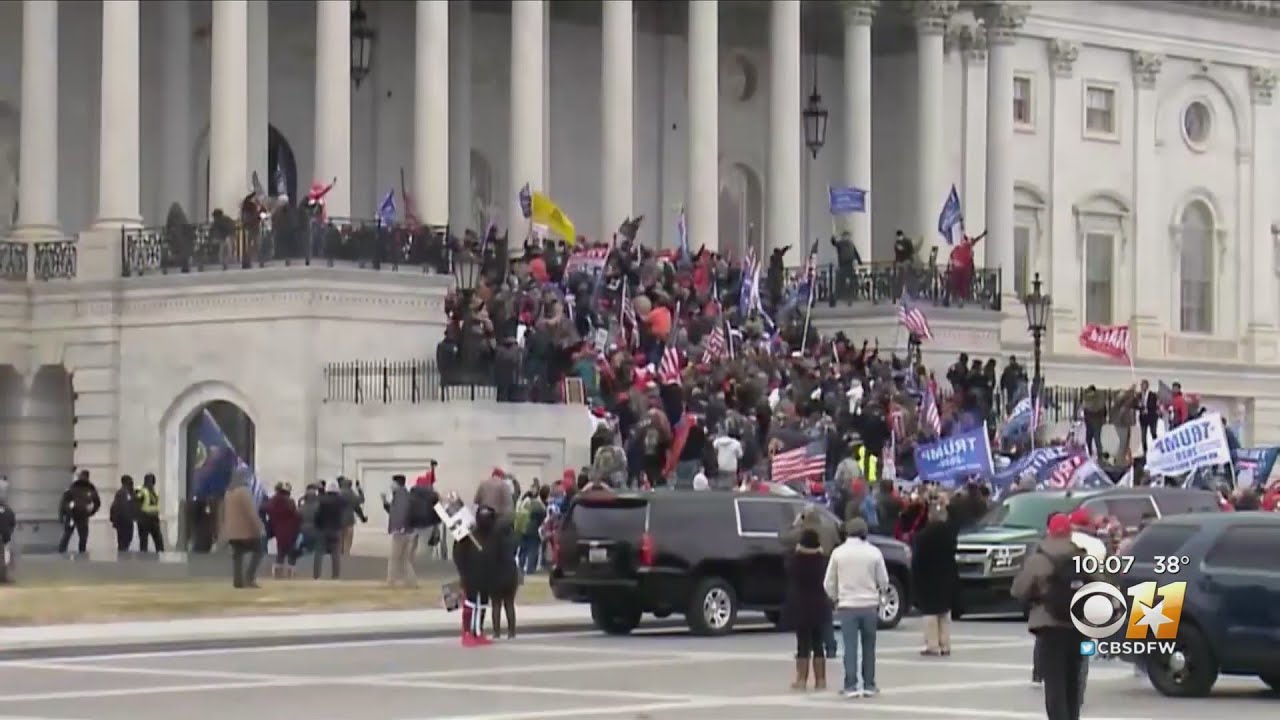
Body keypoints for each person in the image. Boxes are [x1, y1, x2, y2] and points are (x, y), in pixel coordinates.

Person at [1011, 513, 1089, 720]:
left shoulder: (1038, 559)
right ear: (1070, 532)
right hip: (1077, 627)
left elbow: (1018, 590)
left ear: (1049, 531)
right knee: (1073, 680)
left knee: (1054, 683)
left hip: (1049, 626)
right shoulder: (1081, 557)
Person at [823, 517, 890, 699]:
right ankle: (869, 684)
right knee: (869, 647)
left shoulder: (838, 553)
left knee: (850, 647)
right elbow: (883, 580)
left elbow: (828, 581)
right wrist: (879, 592)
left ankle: (850, 685)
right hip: (869, 605)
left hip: (847, 605)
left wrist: (836, 597)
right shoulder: (874, 552)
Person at [783, 528, 831, 691]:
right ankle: (821, 680)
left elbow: (787, 564)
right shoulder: (823, 561)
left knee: (802, 644)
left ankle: (802, 680)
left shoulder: (795, 561)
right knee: (818, 643)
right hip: (819, 605)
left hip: (801, 606)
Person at [911, 502, 958, 656]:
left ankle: (932, 645)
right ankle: (945, 644)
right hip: (946, 575)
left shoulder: (922, 536)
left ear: (930, 517)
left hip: (928, 577)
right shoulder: (950, 535)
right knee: (944, 612)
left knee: (930, 612)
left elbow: (917, 560)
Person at [454, 504, 504, 647]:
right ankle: (466, 633)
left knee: (482, 604)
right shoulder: (468, 535)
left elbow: (499, 555)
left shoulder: (494, 535)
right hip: (471, 575)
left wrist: (497, 572)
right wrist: (463, 572)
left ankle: (478, 631)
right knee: (470, 603)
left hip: (487, 576)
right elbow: (458, 554)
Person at [221, 467, 266, 589]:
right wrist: (259, 527)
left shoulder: (228, 492)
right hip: (246, 531)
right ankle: (249, 577)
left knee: (238, 555)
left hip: (232, 532)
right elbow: (250, 512)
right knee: (259, 550)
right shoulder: (244, 491)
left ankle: (238, 581)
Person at [383, 474, 417, 587]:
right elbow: (394, 511)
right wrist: (385, 503)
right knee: (404, 559)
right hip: (407, 530)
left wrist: (399, 527)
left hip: (401, 531)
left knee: (394, 557)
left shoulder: (400, 496)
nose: (391, 485)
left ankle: (391, 581)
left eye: (393, 483)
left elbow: (401, 512)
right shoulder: (403, 495)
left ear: (397, 484)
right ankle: (411, 581)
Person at [57, 470, 101, 554]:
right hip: (73, 515)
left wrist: (91, 511)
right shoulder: (75, 487)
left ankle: (78, 552)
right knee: (69, 534)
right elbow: (64, 502)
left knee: (81, 536)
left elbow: (97, 503)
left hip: (79, 515)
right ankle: (64, 551)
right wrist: (62, 514)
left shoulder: (89, 488)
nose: (82, 478)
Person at [263, 483, 300, 578]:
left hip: (278, 530)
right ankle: (290, 574)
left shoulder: (272, 501)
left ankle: (277, 574)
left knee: (281, 552)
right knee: (291, 553)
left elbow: (265, 509)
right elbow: (295, 515)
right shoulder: (290, 501)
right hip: (291, 530)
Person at [312, 483, 345, 580]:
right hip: (336, 529)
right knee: (336, 555)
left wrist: (317, 525)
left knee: (318, 553)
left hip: (322, 529)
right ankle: (335, 576)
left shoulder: (321, 500)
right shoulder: (341, 501)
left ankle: (317, 576)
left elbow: (317, 515)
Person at [109, 475, 138, 551]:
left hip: (125, 521)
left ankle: (123, 559)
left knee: (125, 542)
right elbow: (118, 507)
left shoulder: (128, 492)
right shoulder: (123, 493)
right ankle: (123, 560)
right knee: (124, 542)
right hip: (124, 522)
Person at [136, 473, 164, 552]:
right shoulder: (141, 490)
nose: (151, 483)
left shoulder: (154, 492)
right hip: (144, 518)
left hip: (154, 518)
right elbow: (136, 503)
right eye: (150, 481)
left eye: (152, 481)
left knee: (159, 540)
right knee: (144, 541)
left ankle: (161, 556)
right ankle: (144, 559)